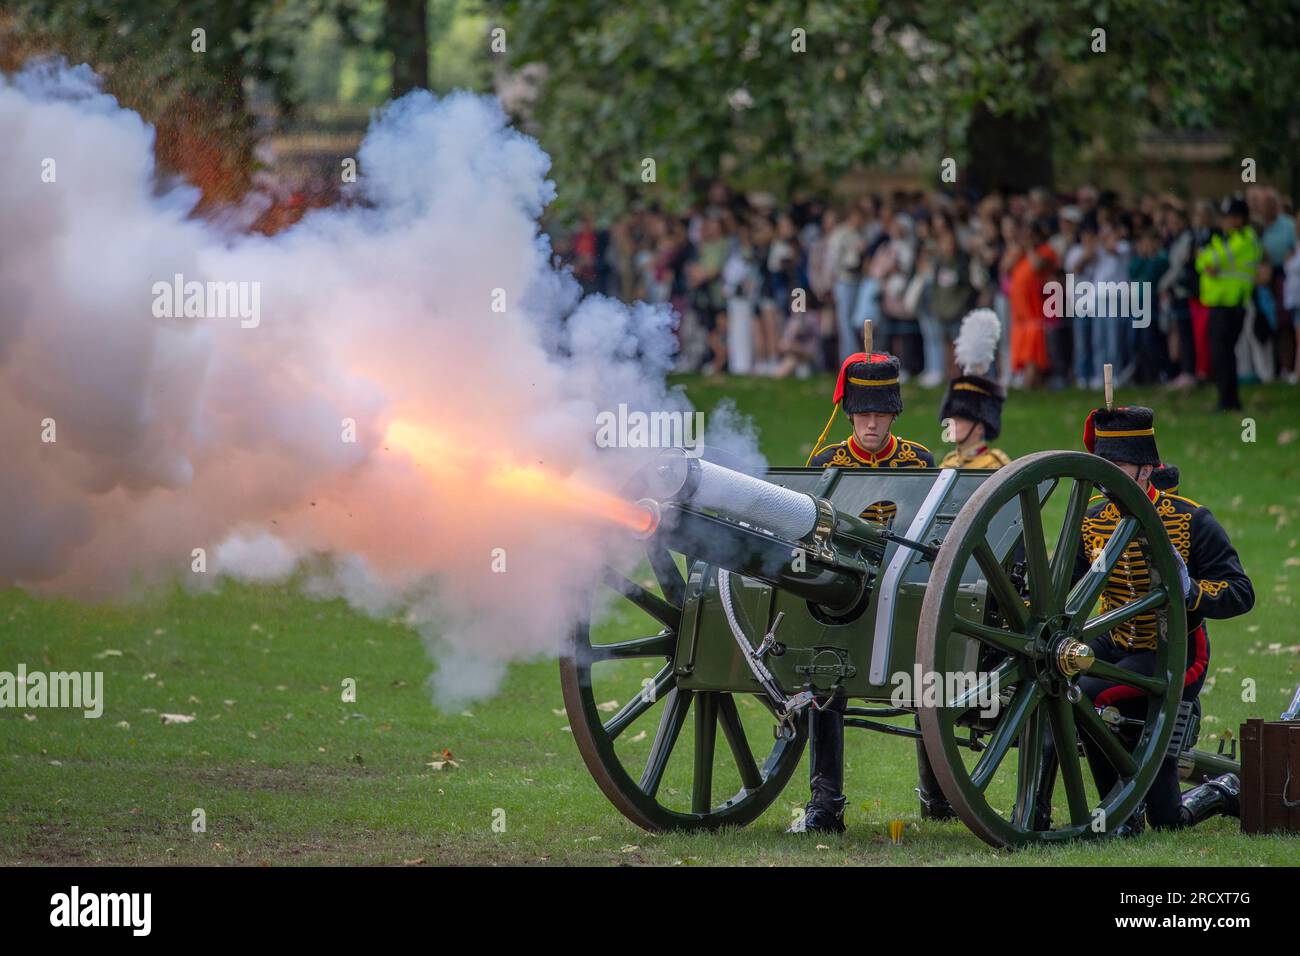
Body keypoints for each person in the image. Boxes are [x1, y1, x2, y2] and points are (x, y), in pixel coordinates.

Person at [1036, 406, 1253, 834]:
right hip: (1113, 640)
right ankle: (1115, 811)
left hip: (1176, 652)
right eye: (1103, 467)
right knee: (1059, 684)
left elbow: (1241, 593)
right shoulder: (1092, 519)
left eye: (1117, 466)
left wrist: (1192, 591)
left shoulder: (1191, 520)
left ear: (1146, 470)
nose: (1108, 477)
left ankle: (1219, 789)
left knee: (1168, 818)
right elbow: (1067, 587)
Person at [790, 348, 934, 834]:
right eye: (863, 415)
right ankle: (825, 804)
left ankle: (936, 795)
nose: (871, 425)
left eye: (880, 415)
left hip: (901, 587)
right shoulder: (827, 461)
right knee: (824, 690)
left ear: (893, 415)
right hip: (841, 594)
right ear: (851, 415)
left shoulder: (919, 461)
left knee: (927, 687)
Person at [1195, 197, 1263, 411]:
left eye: (1231, 217)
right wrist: (1206, 259)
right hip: (1221, 304)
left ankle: (1228, 400)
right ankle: (1228, 399)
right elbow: (1200, 261)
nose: (1226, 221)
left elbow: (1212, 259)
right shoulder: (1229, 238)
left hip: (1232, 305)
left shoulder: (1245, 239)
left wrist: (1208, 258)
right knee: (1221, 353)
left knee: (1223, 352)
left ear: (1241, 218)